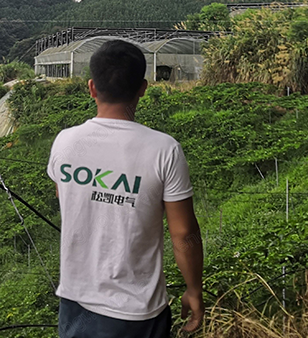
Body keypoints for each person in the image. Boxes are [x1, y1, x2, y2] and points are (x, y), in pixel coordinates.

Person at [47, 39, 204, 337]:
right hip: (136, 311)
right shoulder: (164, 150)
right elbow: (183, 233)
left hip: (74, 303)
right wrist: (194, 289)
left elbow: (64, 194)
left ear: (92, 87)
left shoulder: (65, 141)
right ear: (143, 88)